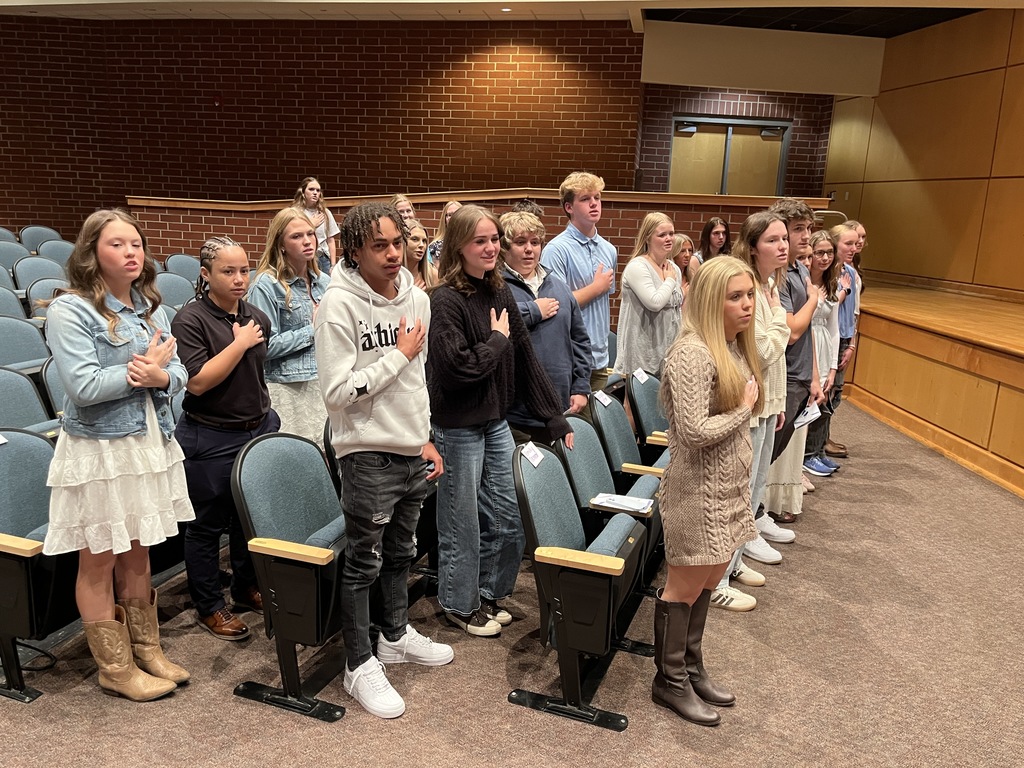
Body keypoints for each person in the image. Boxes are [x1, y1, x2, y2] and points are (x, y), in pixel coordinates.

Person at [43, 209, 194, 701]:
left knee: (139, 548)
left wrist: (162, 376)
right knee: (100, 556)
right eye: (117, 244)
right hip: (100, 447)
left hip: (147, 438)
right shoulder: (72, 310)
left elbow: (181, 374)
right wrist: (146, 371)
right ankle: (115, 666)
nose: (131, 252)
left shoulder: (152, 306)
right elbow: (83, 387)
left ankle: (145, 648)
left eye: (136, 243)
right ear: (91, 252)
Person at [315, 202, 452, 720]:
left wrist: (426, 437)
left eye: (398, 243)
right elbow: (335, 393)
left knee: (402, 552)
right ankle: (358, 663)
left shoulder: (417, 297)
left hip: (412, 448)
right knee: (363, 563)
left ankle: (394, 635)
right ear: (354, 250)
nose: (394, 254)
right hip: (368, 454)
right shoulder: (338, 305)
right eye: (380, 246)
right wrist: (396, 354)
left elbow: (417, 382)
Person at [427, 204, 573, 636]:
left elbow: (525, 357)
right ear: (459, 247)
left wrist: (553, 417)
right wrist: (496, 340)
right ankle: (458, 601)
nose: (491, 248)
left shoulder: (500, 292)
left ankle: (488, 593)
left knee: (510, 516)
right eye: (480, 241)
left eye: (494, 239)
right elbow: (458, 369)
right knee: (462, 520)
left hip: (494, 421)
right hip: (456, 425)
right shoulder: (444, 301)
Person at [655, 256, 763, 726]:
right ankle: (669, 681)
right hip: (696, 492)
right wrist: (744, 409)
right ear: (709, 300)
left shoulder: (732, 346)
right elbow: (695, 431)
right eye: (734, 296)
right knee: (682, 587)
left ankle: (692, 667)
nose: (746, 305)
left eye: (749, 294)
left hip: (727, 489)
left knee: (708, 582)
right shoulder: (692, 353)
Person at [172, 236, 279, 641]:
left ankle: (245, 586)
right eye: (227, 271)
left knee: (246, 519)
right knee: (205, 526)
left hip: (255, 429)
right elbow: (197, 383)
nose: (239, 279)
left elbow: (255, 374)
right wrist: (238, 344)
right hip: (210, 436)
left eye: (244, 270)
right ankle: (209, 606)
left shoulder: (255, 316)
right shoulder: (191, 320)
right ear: (205, 275)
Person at [711, 212, 792, 611]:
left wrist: (775, 403)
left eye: (784, 239)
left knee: (754, 492)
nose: (783, 246)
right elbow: (761, 350)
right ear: (753, 244)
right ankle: (719, 578)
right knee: (739, 494)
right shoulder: (752, 289)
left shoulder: (768, 284)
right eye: (774, 239)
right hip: (749, 403)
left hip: (766, 401)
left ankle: (736, 562)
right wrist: (781, 320)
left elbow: (770, 360)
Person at [499, 210, 591, 443]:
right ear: (504, 248)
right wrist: (534, 311)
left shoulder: (558, 286)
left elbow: (579, 339)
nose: (529, 249)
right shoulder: (496, 286)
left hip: (559, 407)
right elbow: (491, 319)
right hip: (515, 412)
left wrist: (580, 387)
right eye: (520, 243)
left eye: (535, 242)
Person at [762, 198, 826, 528]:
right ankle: (755, 515)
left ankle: (756, 515)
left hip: (800, 375)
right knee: (765, 454)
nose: (805, 236)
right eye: (797, 229)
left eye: (808, 229)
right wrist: (814, 298)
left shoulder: (801, 268)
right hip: (783, 374)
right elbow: (792, 331)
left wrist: (814, 376)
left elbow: (809, 330)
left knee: (775, 449)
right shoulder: (782, 276)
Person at [247, 208, 329, 444]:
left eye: (310, 234)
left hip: (324, 383)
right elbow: (263, 347)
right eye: (296, 236)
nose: (307, 241)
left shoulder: (326, 282)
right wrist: (313, 330)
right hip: (287, 388)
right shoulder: (266, 285)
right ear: (280, 244)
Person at [541, 172, 617, 397]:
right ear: (569, 207)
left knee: (596, 427)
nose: (594, 204)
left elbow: (603, 304)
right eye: (585, 199)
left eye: (597, 197)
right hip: (570, 357)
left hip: (600, 358)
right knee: (573, 427)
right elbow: (555, 306)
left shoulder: (609, 249)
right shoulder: (556, 250)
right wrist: (595, 288)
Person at [614, 212, 683, 378]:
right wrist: (669, 281)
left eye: (671, 234)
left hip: (668, 351)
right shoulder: (638, 267)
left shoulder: (673, 268)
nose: (669, 239)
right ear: (647, 238)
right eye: (662, 235)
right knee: (636, 402)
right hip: (642, 352)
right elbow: (654, 302)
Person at [803, 230, 844, 478]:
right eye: (819, 252)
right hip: (807, 344)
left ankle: (814, 453)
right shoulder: (802, 281)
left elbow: (835, 328)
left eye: (829, 252)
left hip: (824, 344)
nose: (825, 257)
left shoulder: (832, 284)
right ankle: (803, 458)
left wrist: (832, 367)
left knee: (822, 404)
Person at [825, 220, 864, 459]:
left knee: (836, 391)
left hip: (843, 337)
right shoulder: (827, 274)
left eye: (857, 242)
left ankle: (823, 440)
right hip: (829, 336)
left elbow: (854, 312)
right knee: (824, 392)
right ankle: (814, 447)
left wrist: (851, 344)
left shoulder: (851, 273)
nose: (854, 247)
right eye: (848, 243)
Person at [292, 177, 340, 273]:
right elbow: (294, 235)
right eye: (311, 189)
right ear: (303, 192)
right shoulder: (296, 212)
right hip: (305, 258)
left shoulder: (325, 213)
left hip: (323, 258)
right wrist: (311, 225)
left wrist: (333, 265)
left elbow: (330, 240)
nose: (315, 193)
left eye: (318, 190)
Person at [404, 219, 437, 289]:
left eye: (424, 241)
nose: (422, 245)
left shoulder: (432, 275)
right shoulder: (391, 274)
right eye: (415, 239)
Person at [427, 200, 463, 264]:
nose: (452, 218)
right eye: (449, 215)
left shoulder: (471, 243)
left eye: (456, 214)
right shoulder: (435, 247)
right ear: (445, 220)